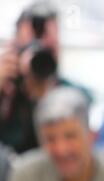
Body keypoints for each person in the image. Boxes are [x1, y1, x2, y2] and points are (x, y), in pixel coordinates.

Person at [0, 1, 91, 154]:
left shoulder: (73, 95)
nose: (39, 57)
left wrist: (46, 96)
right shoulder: (6, 89)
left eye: (48, 49)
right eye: (32, 46)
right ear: (15, 47)